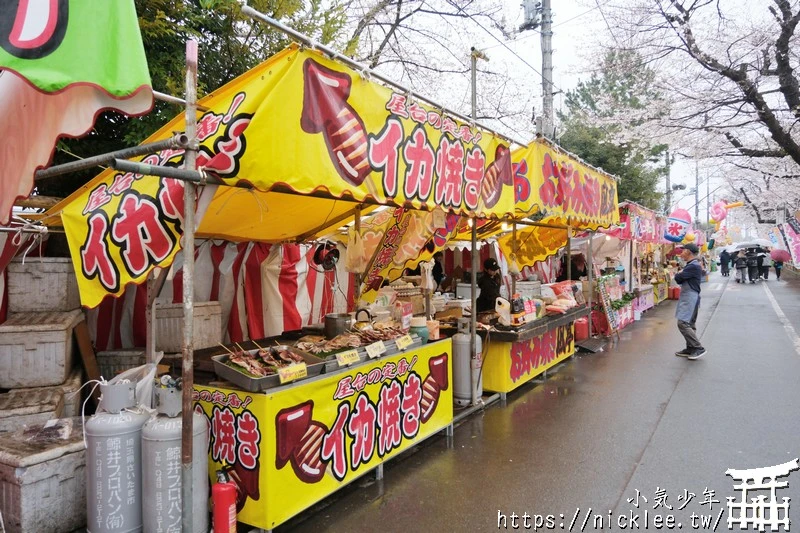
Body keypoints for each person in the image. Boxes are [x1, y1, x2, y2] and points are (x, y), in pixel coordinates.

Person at [673, 243, 706, 360]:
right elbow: (680, 277)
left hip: (690, 297)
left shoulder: (693, 266)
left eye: (683, 251)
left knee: (682, 323)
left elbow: (678, 278)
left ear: (688, 252)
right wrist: (680, 274)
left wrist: (679, 274)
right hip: (691, 296)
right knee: (690, 324)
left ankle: (698, 347)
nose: (681, 253)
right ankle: (690, 348)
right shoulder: (692, 265)